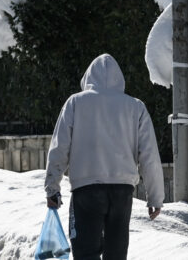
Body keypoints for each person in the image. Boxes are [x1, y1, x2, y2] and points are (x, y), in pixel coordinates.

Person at [45, 53, 164, 260]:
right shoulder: (136, 107)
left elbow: (59, 146)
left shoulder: (75, 103)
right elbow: (149, 155)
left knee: (86, 253)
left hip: (86, 190)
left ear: (88, 77)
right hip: (122, 192)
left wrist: (52, 187)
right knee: (116, 254)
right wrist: (155, 196)